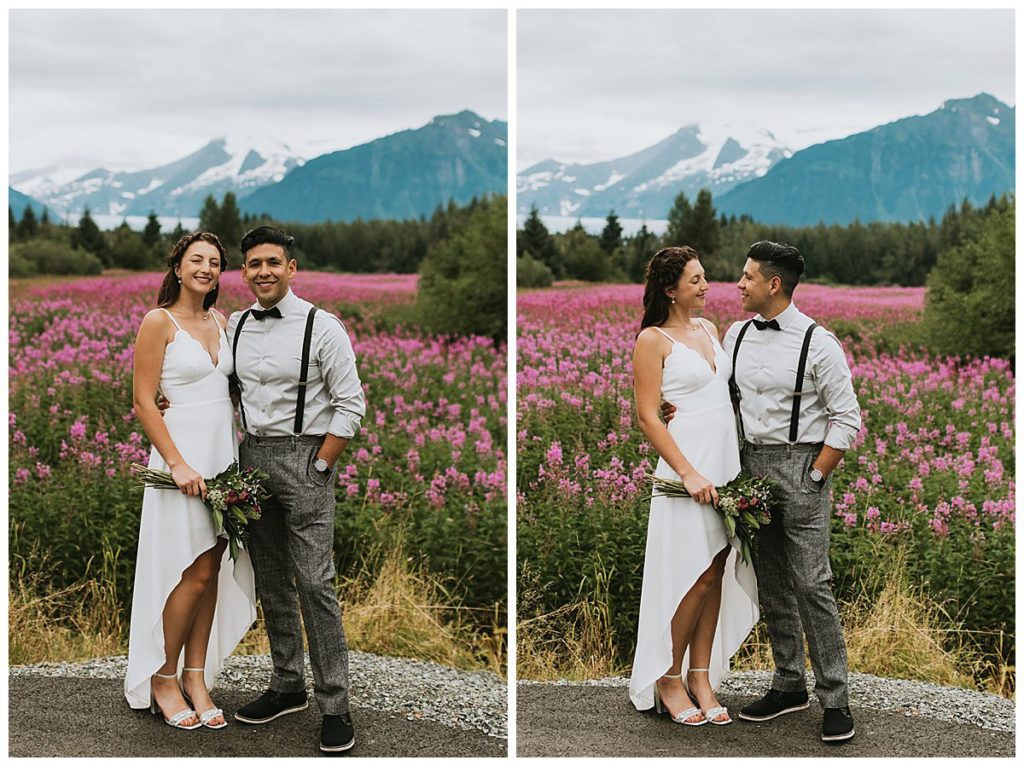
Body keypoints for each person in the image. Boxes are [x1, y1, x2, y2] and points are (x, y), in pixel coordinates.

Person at [227, 226, 366, 754]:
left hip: (307, 457)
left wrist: (322, 464)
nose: (263, 271)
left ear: (291, 268)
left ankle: (336, 704)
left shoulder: (322, 325)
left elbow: (351, 403)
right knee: (272, 581)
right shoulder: (235, 324)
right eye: (253, 264)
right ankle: (287, 686)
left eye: (272, 262)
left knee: (315, 582)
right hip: (252, 457)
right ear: (243, 272)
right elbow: (214, 382)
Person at [722, 240, 861, 743]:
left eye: (747, 276)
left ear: (773, 284)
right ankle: (787, 684)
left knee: (812, 584)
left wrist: (816, 477)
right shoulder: (735, 333)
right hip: (749, 468)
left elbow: (847, 418)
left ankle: (836, 697)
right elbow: (720, 396)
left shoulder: (819, 342)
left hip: (802, 466)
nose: (738, 284)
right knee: (774, 582)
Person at [125, 232, 257, 729]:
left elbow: (228, 392)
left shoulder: (221, 322)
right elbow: (143, 400)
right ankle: (163, 677)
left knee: (212, 572)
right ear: (177, 268)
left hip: (223, 457)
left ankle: (196, 676)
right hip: (181, 460)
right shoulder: (157, 321)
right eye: (196, 260)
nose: (206, 268)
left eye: (215, 262)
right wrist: (177, 462)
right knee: (189, 571)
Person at [628, 246, 759, 727]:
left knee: (717, 570)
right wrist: (687, 471)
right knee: (692, 573)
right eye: (696, 280)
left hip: (724, 466)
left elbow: (719, 397)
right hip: (687, 471)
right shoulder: (652, 340)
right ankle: (667, 676)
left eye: (705, 277)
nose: (707, 286)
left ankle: (701, 676)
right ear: (670, 289)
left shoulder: (709, 330)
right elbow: (647, 415)